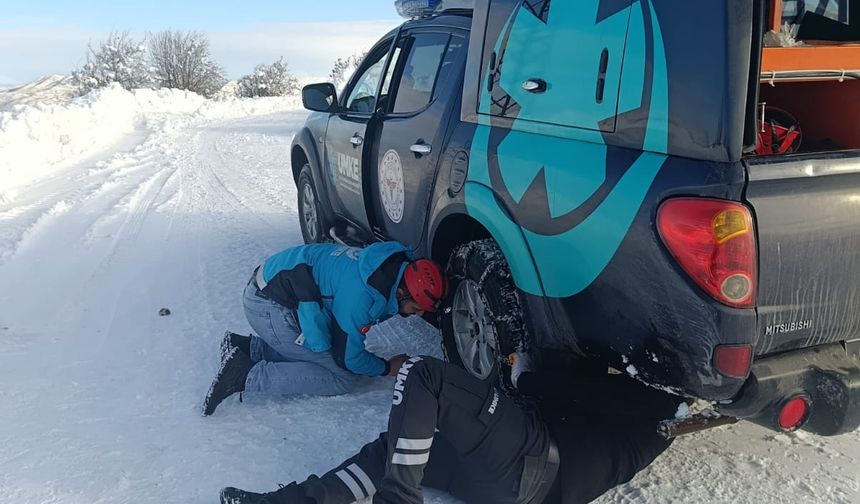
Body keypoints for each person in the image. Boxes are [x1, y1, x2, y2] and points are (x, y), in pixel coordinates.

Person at [218, 353, 680, 504]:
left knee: (425, 375)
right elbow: (574, 403)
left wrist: (526, 374)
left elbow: (571, 393)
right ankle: (295, 501)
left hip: (533, 460)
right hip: (514, 483)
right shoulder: (657, 409)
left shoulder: (661, 398)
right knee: (397, 448)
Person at [202, 242, 448, 416]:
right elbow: (349, 359)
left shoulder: (384, 270)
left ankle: (248, 347)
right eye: (416, 307)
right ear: (402, 291)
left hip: (271, 290)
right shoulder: (360, 299)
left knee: (325, 352)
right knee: (342, 378)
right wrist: (387, 367)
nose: (420, 314)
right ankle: (246, 375)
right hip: (267, 306)